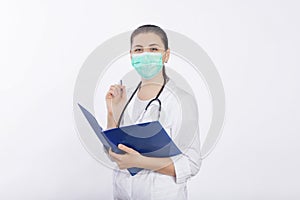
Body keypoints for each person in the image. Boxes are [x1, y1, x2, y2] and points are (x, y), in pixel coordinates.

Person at [104, 24, 202, 200]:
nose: (146, 54)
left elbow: (191, 163)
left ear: (166, 55)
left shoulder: (181, 101)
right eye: (139, 49)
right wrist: (112, 112)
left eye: (154, 49)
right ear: (131, 55)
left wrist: (139, 162)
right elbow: (116, 153)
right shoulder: (125, 97)